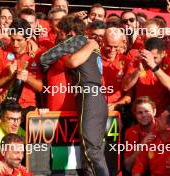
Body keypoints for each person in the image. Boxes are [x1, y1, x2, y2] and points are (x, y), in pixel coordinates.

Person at [61, 16, 109, 175]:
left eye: (63, 33)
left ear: (71, 32)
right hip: (93, 95)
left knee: (91, 149)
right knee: (88, 149)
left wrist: (91, 43)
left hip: (91, 95)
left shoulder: (89, 44)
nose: (61, 37)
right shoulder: (88, 45)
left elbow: (73, 62)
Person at [0, 18, 43, 108]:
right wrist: (7, 77)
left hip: (28, 107)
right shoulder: (1, 54)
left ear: (27, 38)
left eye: (19, 40)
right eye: (12, 39)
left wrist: (27, 78)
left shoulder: (37, 54)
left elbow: (42, 88)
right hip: (4, 106)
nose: (15, 44)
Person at [123, 37, 170, 115]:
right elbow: (125, 87)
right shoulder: (137, 62)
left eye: (155, 58)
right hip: (141, 113)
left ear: (163, 54)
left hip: (162, 115)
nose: (150, 60)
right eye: (149, 57)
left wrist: (153, 66)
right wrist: (138, 70)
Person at [132, 106, 170, 176]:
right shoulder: (152, 137)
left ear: (169, 127)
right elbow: (139, 164)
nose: (156, 119)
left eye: (160, 118)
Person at [123, 96, 156, 173]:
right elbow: (127, 166)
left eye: (147, 111)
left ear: (154, 112)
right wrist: (141, 146)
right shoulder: (131, 132)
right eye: (140, 113)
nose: (144, 115)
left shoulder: (163, 126)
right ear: (135, 115)